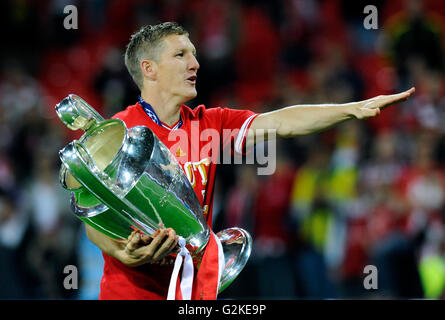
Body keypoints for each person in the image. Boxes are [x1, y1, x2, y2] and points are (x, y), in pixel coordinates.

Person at [85, 22, 415, 300]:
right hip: (130, 291)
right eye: (181, 55)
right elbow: (92, 219)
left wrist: (351, 109)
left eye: (195, 54)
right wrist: (120, 251)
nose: (195, 64)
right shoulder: (118, 131)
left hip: (194, 289)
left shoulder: (208, 124)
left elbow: (283, 122)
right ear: (149, 69)